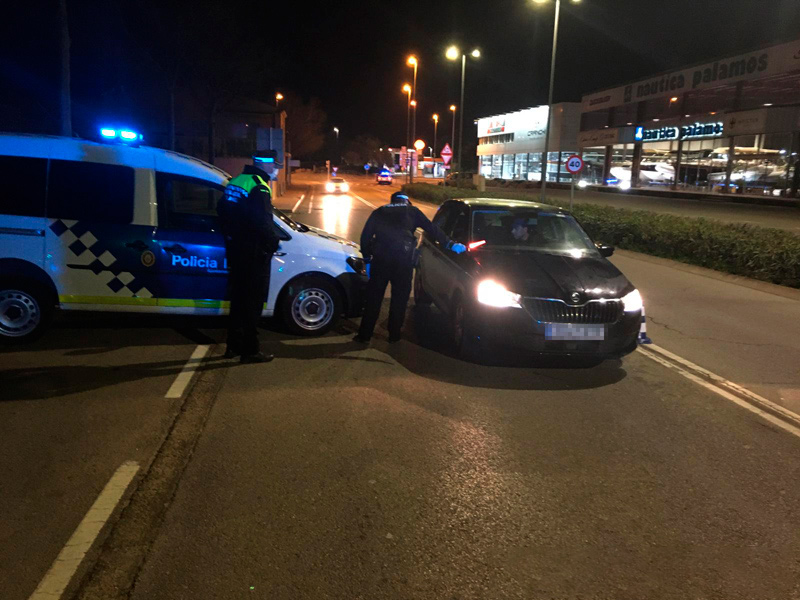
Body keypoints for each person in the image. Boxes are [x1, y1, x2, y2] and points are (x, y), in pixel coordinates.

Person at [355, 191, 466, 344]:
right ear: (407, 201)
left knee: (374, 299)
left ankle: (364, 335)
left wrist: (367, 259)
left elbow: (365, 237)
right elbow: (432, 229)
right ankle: (394, 335)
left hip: (380, 261)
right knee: (399, 299)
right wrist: (451, 244)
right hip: (403, 261)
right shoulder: (412, 212)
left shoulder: (379, 212)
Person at [217, 150, 282, 363]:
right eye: (274, 165)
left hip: (235, 248)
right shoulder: (259, 186)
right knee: (252, 303)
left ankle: (232, 347)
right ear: (265, 165)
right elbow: (262, 222)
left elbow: (221, 210)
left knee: (237, 300)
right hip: (253, 252)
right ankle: (250, 351)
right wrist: (273, 243)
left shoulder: (236, 180)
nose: (275, 169)